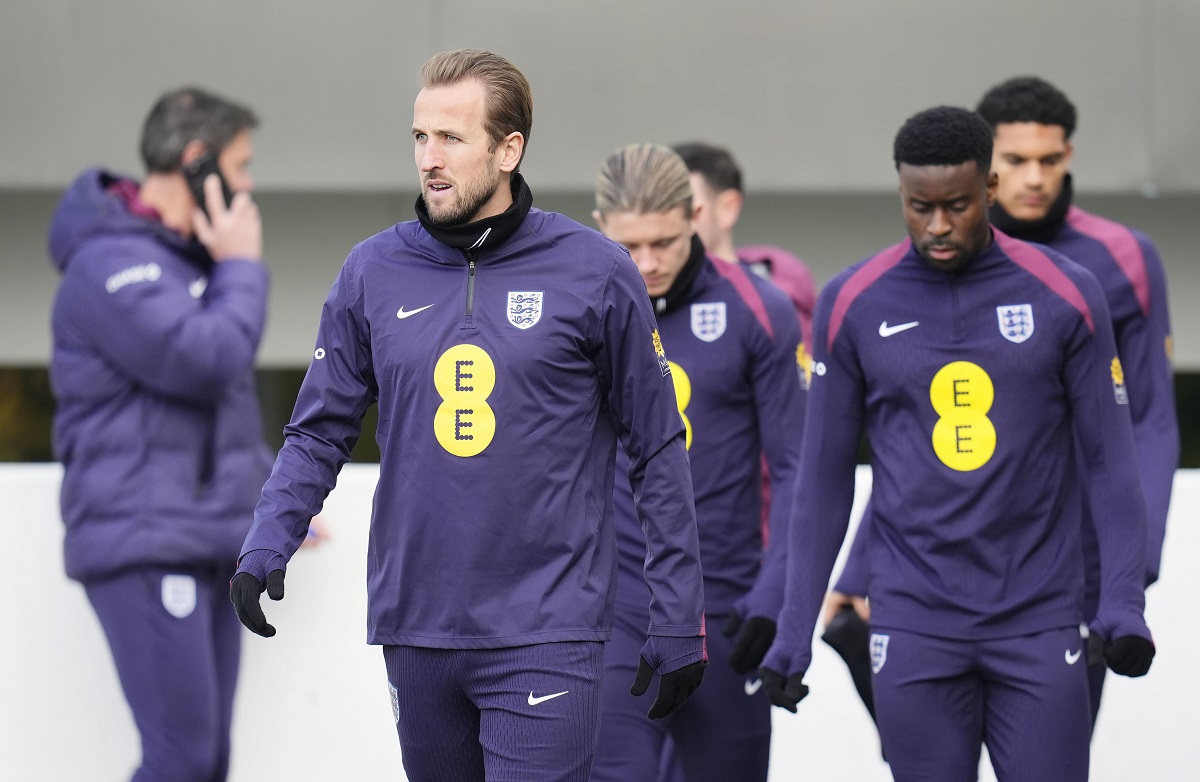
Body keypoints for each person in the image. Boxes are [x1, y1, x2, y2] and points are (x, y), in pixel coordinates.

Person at [228, 50, 706, 782]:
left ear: (508, 148)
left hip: (548, 628)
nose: (430, 158)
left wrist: (677, 612)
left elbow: (656, 448)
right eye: (420, 137)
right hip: (417, 627)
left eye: (451, 138)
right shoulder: (370, 271)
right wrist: (267, 540)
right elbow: (319, 430)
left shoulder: (596, 272)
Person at [759, 106, 1156, 782]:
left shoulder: (1067, 293)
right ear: (901, 195)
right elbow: (822, 481)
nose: (938, 226)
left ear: (990, 191)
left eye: (957, 206)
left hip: (1039, 619)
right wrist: (791, 631)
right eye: (920, 207)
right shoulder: (853, 300)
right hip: (912, 623)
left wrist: (1124, 601)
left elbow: (1111, 463)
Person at [47, 87, 270, 781]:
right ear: (198, 161)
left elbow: (218, 417)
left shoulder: (183, 261)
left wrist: (272, 498)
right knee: (182, 759)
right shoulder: (109, 263)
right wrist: (240, 265)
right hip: (145, 539)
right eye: (241, 165)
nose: (247, 185)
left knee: (209, 763)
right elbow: (202, 360)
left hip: (202, 537)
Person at [589, 144, 806, 782]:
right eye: (632, 246)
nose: (649, 263)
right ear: (601, 226)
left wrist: (777, 593)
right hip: (615, 613)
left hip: (727, 610)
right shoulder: (580, 310)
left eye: (665, 242)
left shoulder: (759, 310)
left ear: (695, 217)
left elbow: (799, 469)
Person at [672, 141, 817, 343]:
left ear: (727, 209)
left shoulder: (774, 297)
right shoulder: (639, 294)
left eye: (687, 211)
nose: (670, 222)